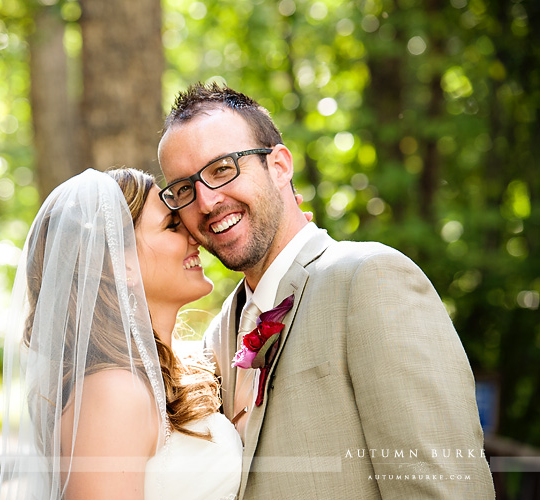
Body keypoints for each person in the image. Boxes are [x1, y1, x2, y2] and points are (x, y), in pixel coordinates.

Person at [157, 82, 495, 499]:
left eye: (222, 168)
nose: (206, 202)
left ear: (279, 166)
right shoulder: (219, 333)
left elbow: (443, 489)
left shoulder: (372, 281)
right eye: (184, 189)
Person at [0, 168, 244, 500]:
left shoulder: (165, 371)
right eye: (172, 225)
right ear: (119, 264)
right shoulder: (113, 391)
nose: (193, 234)